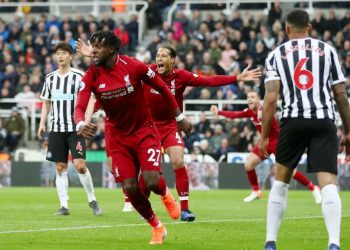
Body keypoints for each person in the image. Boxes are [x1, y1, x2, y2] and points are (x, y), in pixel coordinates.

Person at [76, 42, 261, 221]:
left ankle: (185, 208)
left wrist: (237, 78)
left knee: (178, 160)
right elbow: (119, 65)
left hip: (170, 125)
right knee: (146, 177)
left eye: (164, 55)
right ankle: (147, 204)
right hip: (146, 126)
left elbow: (208, 80)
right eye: (157, 56)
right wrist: (92, 54)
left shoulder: (181, 76)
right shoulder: (146, 71)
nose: (159, 58)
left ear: (173, 59)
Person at [74, 31, 192, 245]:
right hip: (118, 137)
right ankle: (157, 226)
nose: (93, 51)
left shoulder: (134, 66)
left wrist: (180, 117)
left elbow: (163, 88)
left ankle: (165, 193)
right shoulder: (92, 74)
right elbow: (80, 105)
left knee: (150, 180)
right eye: (92, 47)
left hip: (144, 131)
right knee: (129, 187)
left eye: (98, 47)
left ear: (112, 48)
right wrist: (81, 123)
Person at [259, 9, 350, 250]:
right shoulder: (328, 50)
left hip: (293, 121)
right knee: (329, 183)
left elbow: (270, 99)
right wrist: (349, 132)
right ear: (309, 27)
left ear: (287, 29)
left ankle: (270, 242)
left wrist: (264, 135)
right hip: (323, 120)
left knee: (281, 182)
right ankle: (333, 243)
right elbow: (340, 94)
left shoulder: (276, 55)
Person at [211, 91, 322, 202]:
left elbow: (271, 119)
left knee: (289, 172)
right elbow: (234, 115)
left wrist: (264, 117)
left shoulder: (265, 109)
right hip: (264, 143)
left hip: (277, 143)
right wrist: (218, 112)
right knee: (248, 164)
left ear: (258, 99)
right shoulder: (250, 112)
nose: (249, 99)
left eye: (252, 97)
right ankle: (256, 191)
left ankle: (314, 188)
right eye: (248, 97)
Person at [37, 42, 102, 216]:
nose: (60, 56)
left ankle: (92, 200)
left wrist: (86, 121)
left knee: (80, 165)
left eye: (64, 53)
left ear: (71, 56)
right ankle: (64, 205)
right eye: (58, 53)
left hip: (75, 129)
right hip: (56, 129)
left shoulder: (79, 76)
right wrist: (42, 123)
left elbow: (90, 99)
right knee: (60, 167)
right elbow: (46, 103)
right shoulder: (50, 78)